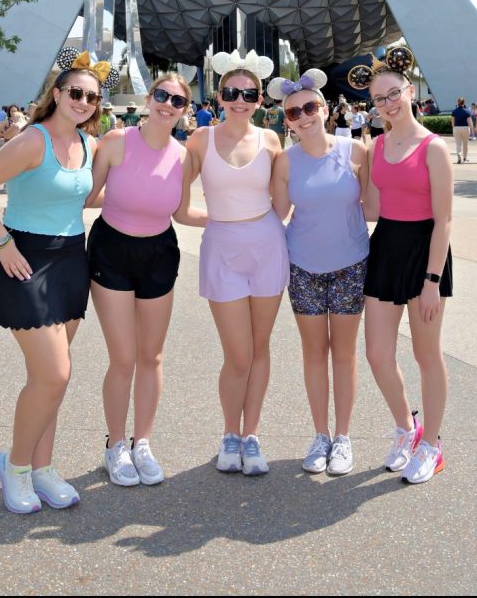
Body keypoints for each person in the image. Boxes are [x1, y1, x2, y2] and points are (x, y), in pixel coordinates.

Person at [0, 51, 103, 515]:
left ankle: (43, 469)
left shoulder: (90, 144)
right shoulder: (31, 141)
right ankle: (16, 466)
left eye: (92, 96)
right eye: (75, 92)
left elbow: (96, 195)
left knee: (49, 379)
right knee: (54, 373)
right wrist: (2, 242)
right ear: (57, 94)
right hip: (25, 259)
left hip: (70, 263)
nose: (83, 101)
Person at [85, 73, 207, 486]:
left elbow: (182, 213)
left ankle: (143, 443)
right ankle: (115, 445)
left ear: (184, 110)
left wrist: (243, 219)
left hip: (159, 254)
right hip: (111, 251)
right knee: (123, 357)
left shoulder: (184, 155)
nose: (167, 104)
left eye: (177, 100)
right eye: (161, 95)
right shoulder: (116, 141)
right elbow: (86, 195)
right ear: (148, 96)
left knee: (151, 356)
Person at [186, 49, 286, 476]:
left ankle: (252, 435)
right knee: (238, 353)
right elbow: (175, 204)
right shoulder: (199, 139)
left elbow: (283, 204)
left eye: (248, 93)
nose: (239, 99)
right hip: (222, 248)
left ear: (261, 99)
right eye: (231, 92)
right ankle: (230, 432)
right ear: (219, 96)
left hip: (266, 246)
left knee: (260, 347)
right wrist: (222, 221)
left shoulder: (272, 140)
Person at [359, 47, 453, 485]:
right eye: (379, 100)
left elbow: (444, 220)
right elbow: (372, 209)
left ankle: (432, 446)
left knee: (425, 353)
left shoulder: (434, 148)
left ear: (410, 91)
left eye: (393, 94)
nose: (388, 104)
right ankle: (406, 427)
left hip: (424, 254)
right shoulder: (375, 146)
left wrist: (432, 280)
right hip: (386, 248)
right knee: (377, 353)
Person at [271, 69, 370, 477]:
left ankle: (343, 437)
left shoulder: (356, 152)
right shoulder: (284, 161)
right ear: (287, 121)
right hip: (304, 267)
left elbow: (378, 205)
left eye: (310, 107)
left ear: (326, 109)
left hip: (350, 265)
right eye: (294, 113)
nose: (304, 116)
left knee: (344, 354)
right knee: (314, 353)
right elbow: (274, 215)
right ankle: (320, 434)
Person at [450, 98, 473, 164]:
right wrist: (472, 130)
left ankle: (459, 155)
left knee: (458, 144)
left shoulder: (454, 111)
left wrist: (454, 128)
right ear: (464, 103)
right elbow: (470, 122)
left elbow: (452, 121)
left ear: (458, 103)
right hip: (465, 128)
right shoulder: (467, 111)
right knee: (465, 144)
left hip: (457, 128)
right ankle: (465, 158)